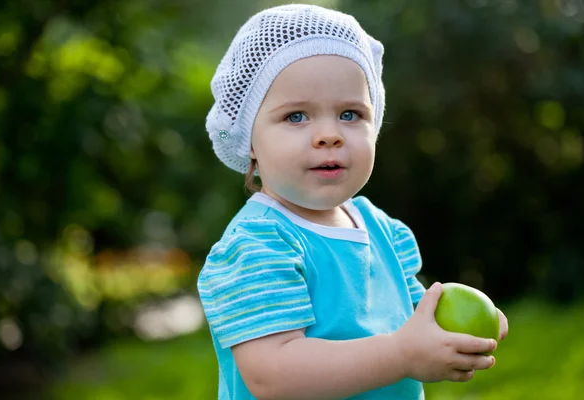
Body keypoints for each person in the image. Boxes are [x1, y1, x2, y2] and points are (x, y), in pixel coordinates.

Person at [197, 4, 509, 399]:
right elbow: (272, 375)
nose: (329, 134)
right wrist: (400, 355)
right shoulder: (258, 244)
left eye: (349, 113)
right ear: (249, 141)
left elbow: (413, 325)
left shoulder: (381, 229)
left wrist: (449, 334)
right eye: (296, 116)